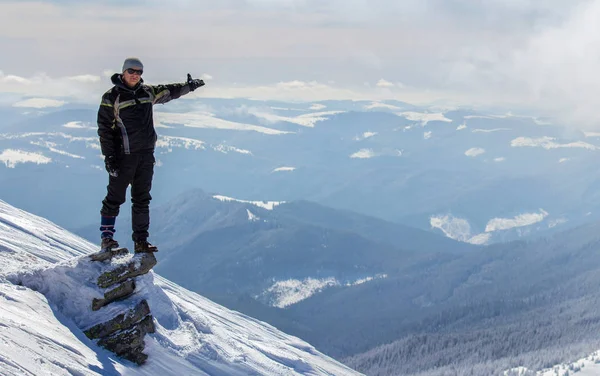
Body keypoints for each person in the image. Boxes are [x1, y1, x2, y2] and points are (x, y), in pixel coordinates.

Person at [97, 57, 204, 253]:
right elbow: (105, 129)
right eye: (132, 71)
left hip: (146, 156)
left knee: (142, 199)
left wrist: (189, 87)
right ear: (123, 72)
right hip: (123, 157)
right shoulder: (111, 97)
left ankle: (141, 241)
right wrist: (109, 157)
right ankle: (107, 239)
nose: (135, 75)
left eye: (139, 72)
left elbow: (169, 91)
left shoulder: (147, 92)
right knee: (114, 198)